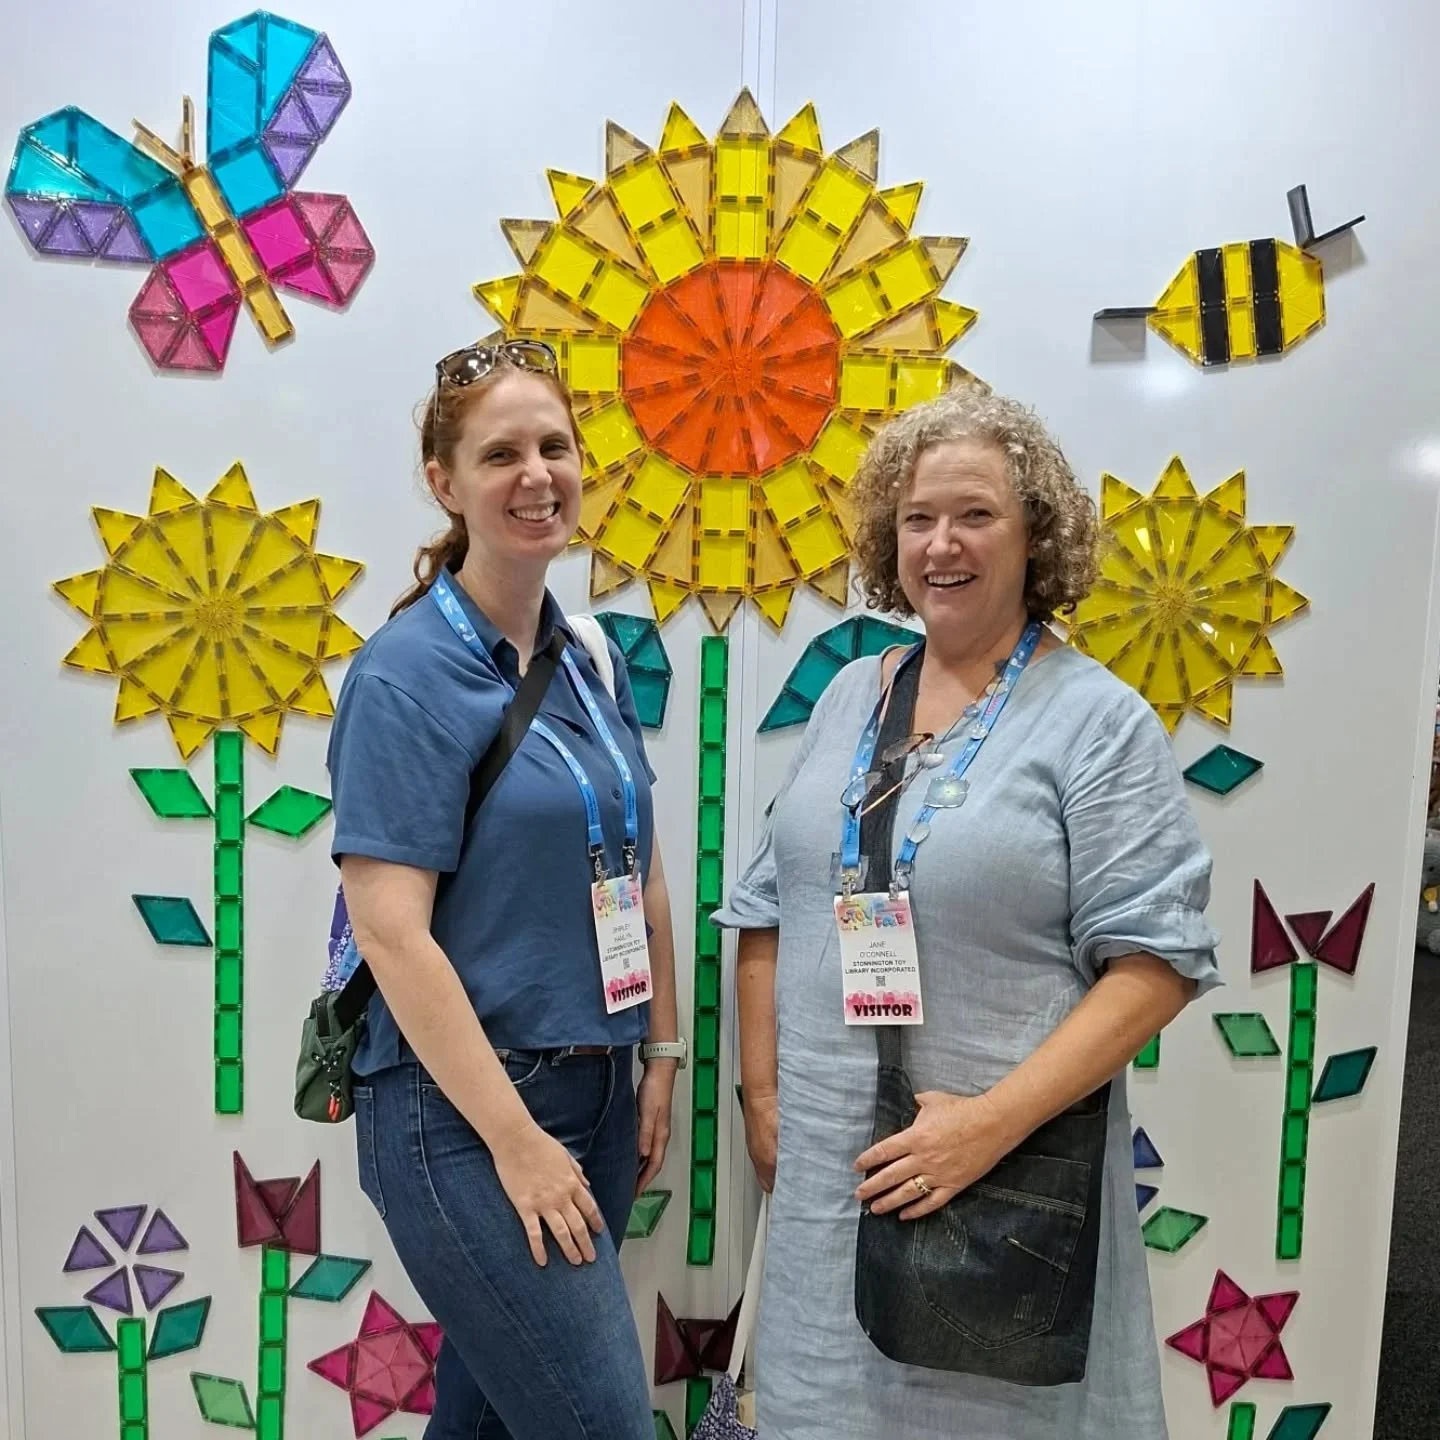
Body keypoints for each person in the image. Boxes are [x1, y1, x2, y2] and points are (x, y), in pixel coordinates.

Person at [715, 387, 1220, 1439]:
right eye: (917, 519)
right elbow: (768, 902)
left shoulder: (1096, 722)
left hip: (991, 1186)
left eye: (975, 515)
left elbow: (1158, 965)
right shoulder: (854, 692)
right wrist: (763, 1099)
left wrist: (986, 1127)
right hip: (822, 1184)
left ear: (1036, 532)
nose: (942, 544)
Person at [328, 339, 684, 1440]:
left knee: (485, 1423)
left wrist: (660, 1053)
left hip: (599, 1092)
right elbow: (393, 937)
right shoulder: (404, 673)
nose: (537, 476)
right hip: (462, 1115)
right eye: (500, 455)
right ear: (445, 482)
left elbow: (643, 870)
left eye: (554, 446)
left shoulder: (587, 655)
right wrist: (518, 1142)